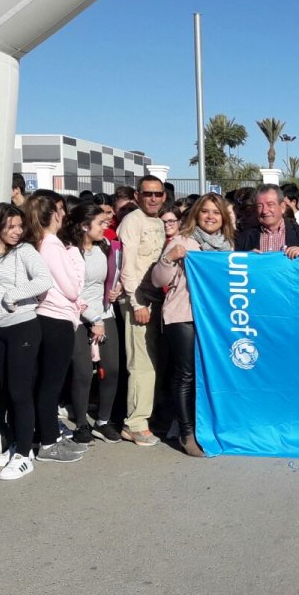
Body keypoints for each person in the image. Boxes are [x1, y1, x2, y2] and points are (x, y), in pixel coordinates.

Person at [0, 203, 59, 479]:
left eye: (19, 226)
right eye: (10, 226)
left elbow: (44, 280)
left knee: (20, 392)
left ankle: (24, 454)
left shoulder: (25, 251)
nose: (17, 231)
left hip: (22, 326)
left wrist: (13, 296)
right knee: (7, 391)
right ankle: (16, 444)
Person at [153, 193, 233, 457]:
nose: (210, 217)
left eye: (216, 212)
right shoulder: (183, 241)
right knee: (185, 375)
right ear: (196, 214)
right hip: (184, 316)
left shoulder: (228, 246)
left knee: (210, 373)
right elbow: (157, 279)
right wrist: (169, 258)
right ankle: (187, 433)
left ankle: (206, 426)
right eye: (205, 211)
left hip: (214, 319)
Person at [24, 191, 89, 457]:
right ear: (52, 214)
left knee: (44, 381)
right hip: (56, 317)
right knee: (51, 383)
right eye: (60, 210)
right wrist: (76, 266)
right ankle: (49, 441)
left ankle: (44, 434)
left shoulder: (40, 243)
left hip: (48, 316)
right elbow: (72, 288)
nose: (64, 215)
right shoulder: (52, 245)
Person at [63, 203, 122, 444]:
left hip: (104, 313)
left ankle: (103, 421)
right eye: (100, 222)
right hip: (78, 317)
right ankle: (79, 425)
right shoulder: (68, 252)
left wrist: (116, 290)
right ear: (84, 226)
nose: (106, 225)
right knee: (83, 372)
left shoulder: (106, 247)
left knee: (112, 368)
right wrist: (93, 319)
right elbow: (71, 291)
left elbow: (109, 278)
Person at [117, 175, 167, 447]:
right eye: (148, 193)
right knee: (141, 365)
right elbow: (128, 266)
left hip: (158, 301)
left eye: (158, 194)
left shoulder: (158, 221)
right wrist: (137, 304)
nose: (153, 198)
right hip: (140, 302)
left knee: (154, 362)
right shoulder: (132, 222)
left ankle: (148, 416)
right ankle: (134, 423)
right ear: (137, 196)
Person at [235, 185, 299, 257]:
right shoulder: (244, 238)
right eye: (260, 206)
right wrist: (245, 260)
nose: (264, 210)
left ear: (282, 207)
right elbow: (235, 269)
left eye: (270, 204)